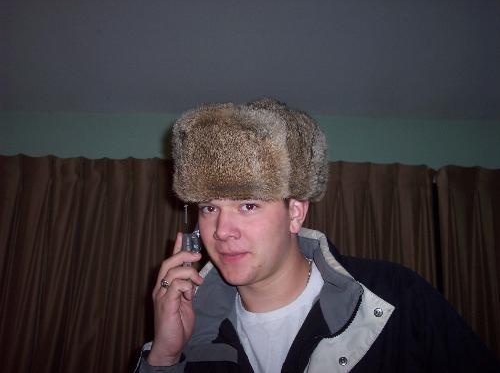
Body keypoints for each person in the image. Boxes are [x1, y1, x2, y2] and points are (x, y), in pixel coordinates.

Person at [136, 99, 499, 372]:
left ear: (295, 212)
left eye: (248, 206)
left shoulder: (395, 299)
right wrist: (165, 355)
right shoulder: (196, 330)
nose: (221, 231)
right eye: (209, 208)